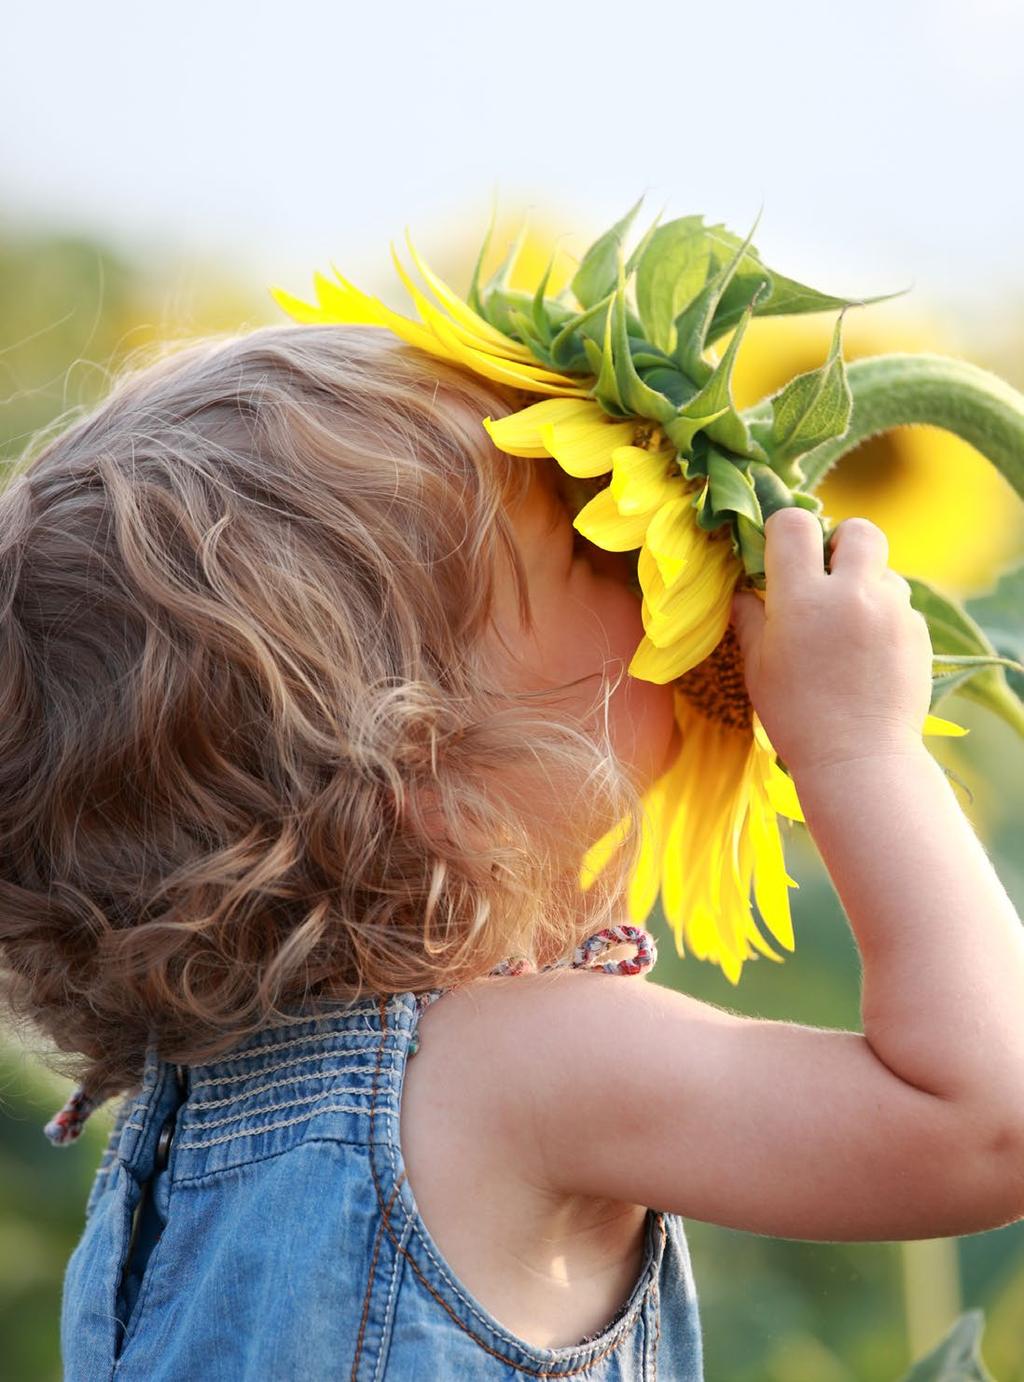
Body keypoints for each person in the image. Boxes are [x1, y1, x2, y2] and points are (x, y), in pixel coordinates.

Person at [1, 324, 1021, 1381]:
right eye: (588, 550)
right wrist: (855, 741)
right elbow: (992, 1120)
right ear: (431, 777)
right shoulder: (517, 1069)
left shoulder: (186, 1129)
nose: (649, 577)